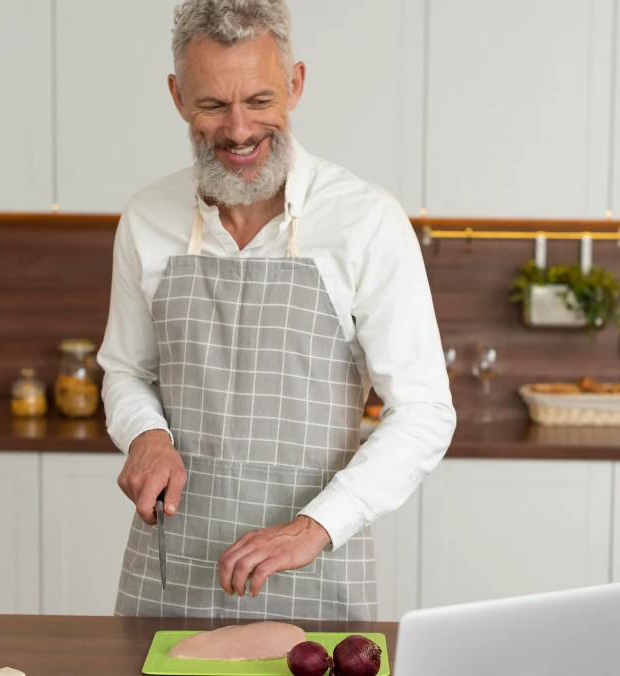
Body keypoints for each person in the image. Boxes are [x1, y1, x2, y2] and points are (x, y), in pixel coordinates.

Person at [97, 0, 455, 621]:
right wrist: (146, 435)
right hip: (169, 571)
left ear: (295, 84)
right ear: (179, 97)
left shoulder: (365, 221)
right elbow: (127, 371)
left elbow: (424, 409)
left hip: (315, 569)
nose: (239, 131)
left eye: (260, 101)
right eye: (213, 105)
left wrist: (316, 526)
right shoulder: (146, 219)